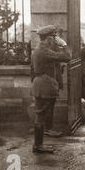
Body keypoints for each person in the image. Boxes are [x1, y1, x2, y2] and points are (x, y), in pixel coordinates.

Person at [30, 25, 71, 154]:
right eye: (54, 38)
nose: (55, 40)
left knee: (40, 115)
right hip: (44, 85)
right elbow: (67, 57)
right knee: (41, 116)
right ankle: (38, 146)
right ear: (48, 38)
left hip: (40, 84)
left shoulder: (40, 49)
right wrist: (63, 44)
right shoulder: (44, 51)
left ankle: (38, 145)